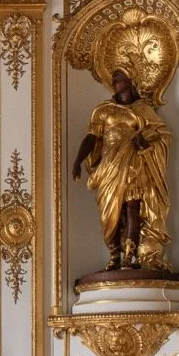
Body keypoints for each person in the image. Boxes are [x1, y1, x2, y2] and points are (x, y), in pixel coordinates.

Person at [72, 67, 172, 270]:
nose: (115, 79)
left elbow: (161, 134)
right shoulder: (103, 110)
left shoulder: (142, 109)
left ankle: (129, 256)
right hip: (110, 167)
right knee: (110, 213)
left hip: (134, 166)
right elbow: (92, 137)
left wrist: (145, 142)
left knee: (132, 208)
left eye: (120, 76)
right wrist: (78, 160)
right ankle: (113, 255)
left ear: (131, 80)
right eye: (114, 77)